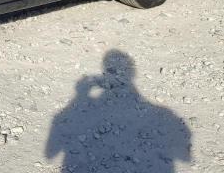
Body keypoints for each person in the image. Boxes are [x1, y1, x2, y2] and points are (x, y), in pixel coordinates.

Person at [45, 50, 191, 172]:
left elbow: (50, 154)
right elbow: (185, 157)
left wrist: (80, 96)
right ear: (132, 73)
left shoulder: (63, 117)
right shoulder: (165, 115)